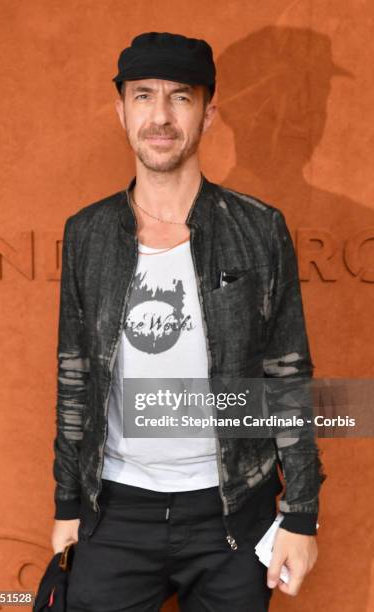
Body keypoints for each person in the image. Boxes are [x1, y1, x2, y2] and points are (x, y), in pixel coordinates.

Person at [51, 31, 327, 612]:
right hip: (116, 512)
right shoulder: (88, 233)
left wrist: (300, 513)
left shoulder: (259, 229)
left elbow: (288, 376)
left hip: (232, 514)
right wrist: (67, 506)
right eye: (144, 95)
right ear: (120, 109)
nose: (160, 115)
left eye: (181, 97)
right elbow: (74, 378)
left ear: (208, 114)